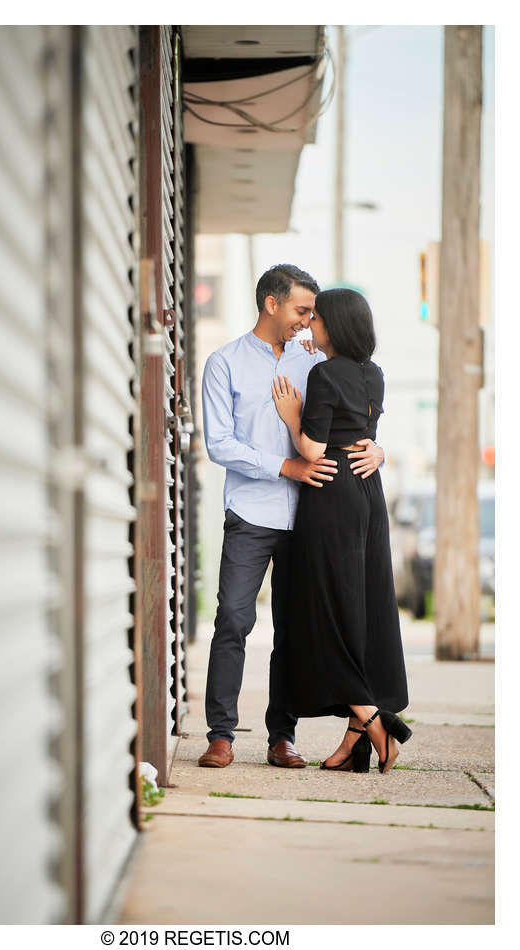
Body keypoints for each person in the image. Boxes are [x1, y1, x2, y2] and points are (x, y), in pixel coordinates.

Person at [198, 265, 385, 769]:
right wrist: (287, 466)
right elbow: (219, 444)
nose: (308, 322)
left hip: (311, 516)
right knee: (234, 619)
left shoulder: (314, 363)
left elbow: (351, 419)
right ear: (271, 304)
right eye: (302, 311)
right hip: (252, 513)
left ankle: (282, 736)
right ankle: (221, 735)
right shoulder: (225, 364)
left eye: (313, 314)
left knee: (294, 630)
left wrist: (378, 450)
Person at [271, 287, 411, 773]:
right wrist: (380, 450)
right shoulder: (374, 374)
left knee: (326, 609)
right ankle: (356, 739)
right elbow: (365, 435)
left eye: (318, 319)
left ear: (335, 324)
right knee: (361, 607)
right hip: (368, 494)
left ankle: (374, 721)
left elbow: (313, 450)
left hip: (331, 496)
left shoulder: (324, 373)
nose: (311, 325)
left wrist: (292, 418)